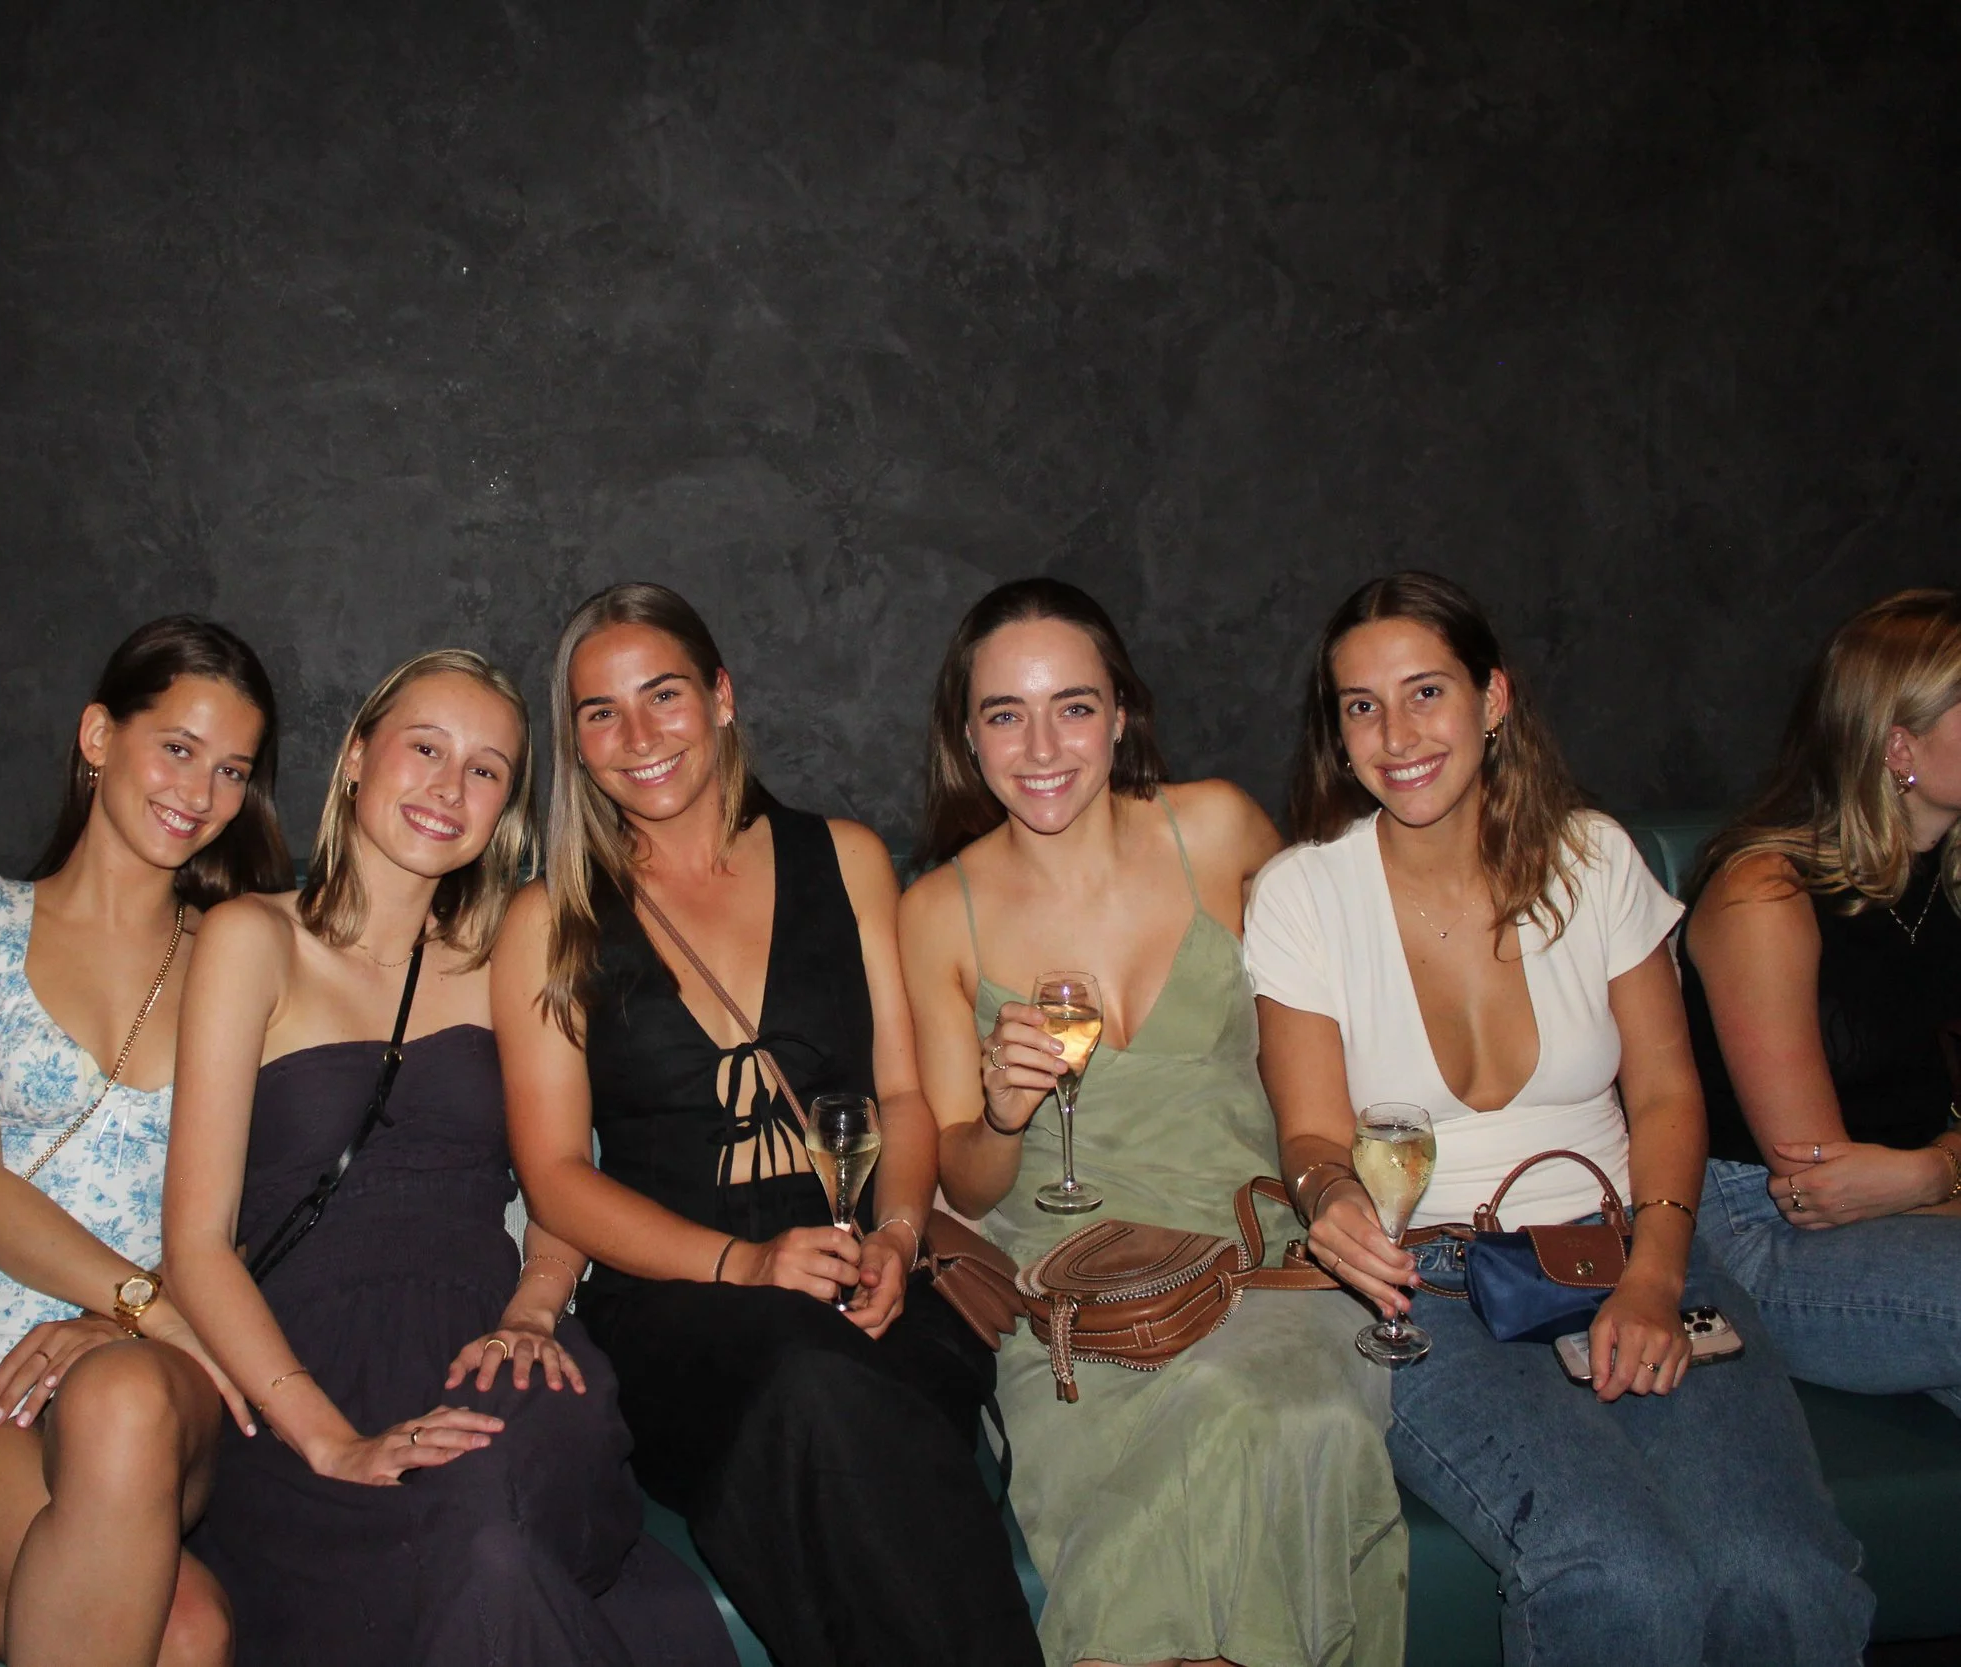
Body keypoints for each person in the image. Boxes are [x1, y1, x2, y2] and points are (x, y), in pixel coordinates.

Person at [1244, 571, 1872, 1666]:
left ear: (1494, 698)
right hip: (1424, 1278)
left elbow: (1668, 1093)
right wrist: (1328, 1193)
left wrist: (1652, 1276)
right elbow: (1307, 1135)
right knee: (1620, 1573)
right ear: (1335, 737)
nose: (1396, 734)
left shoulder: (1592, 858)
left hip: (1626, 1242)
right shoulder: (1303, 891)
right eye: (1359, 706)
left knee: (1786, 1571)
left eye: (1425, 692)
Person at [492, 582, 1042, 1667]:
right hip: (678, 1304)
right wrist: (745, 1264)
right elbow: (555, 1177)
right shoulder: (548, 915)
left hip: (868, 1275)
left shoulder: (843, 856)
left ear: (723, 695)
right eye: (600, 713)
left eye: (664, 695)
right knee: (809, 1387)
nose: (638, 735)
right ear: (575, 741)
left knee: (832, 1394)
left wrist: (892, 1235)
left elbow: (900, 1094)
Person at [163, 649, 733, 1667]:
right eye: (424, 747)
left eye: (485, 770)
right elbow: (196, 1243)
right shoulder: (251, 938)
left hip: (492, 1349)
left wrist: (533, 1305)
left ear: (506, 810)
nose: (446, 786)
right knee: (488, 1560)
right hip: (302, 1373)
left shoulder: (508, 948)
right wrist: (327, 1436)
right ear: (354, 757)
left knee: (489, 1504)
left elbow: (561, 1176)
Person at [898, 577, 1404, 1667]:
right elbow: (971, 1181)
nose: (1040, 745)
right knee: (1221, 1433)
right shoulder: (939, 909)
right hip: (1082, 1297)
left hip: (1264, 1261)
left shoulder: (1217, 829)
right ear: (966, 734)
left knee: (1282, 1413)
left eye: (1072, 705)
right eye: (1003, 713)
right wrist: (997, 1105)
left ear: (1121, 712)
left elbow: (1332, 1029)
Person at [0, 616, 297, 1667]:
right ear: (97, 735)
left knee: (122, 1399)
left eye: (231, 769)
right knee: (189, 1635)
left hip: (151, 1369)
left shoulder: (242, 951)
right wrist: (147, 1300)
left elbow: (277, 1196)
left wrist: (136, 1328)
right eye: (176, 746)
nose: (200, 792)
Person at [1681, 588, 1961, 1409]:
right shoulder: (1765, 894)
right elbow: (1821, 1188)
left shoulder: (1948, 881)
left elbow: (1902, 1177)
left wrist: (1927, 1172)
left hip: (1918, 1213)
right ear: (1898, 744)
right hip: (1757, 1238)